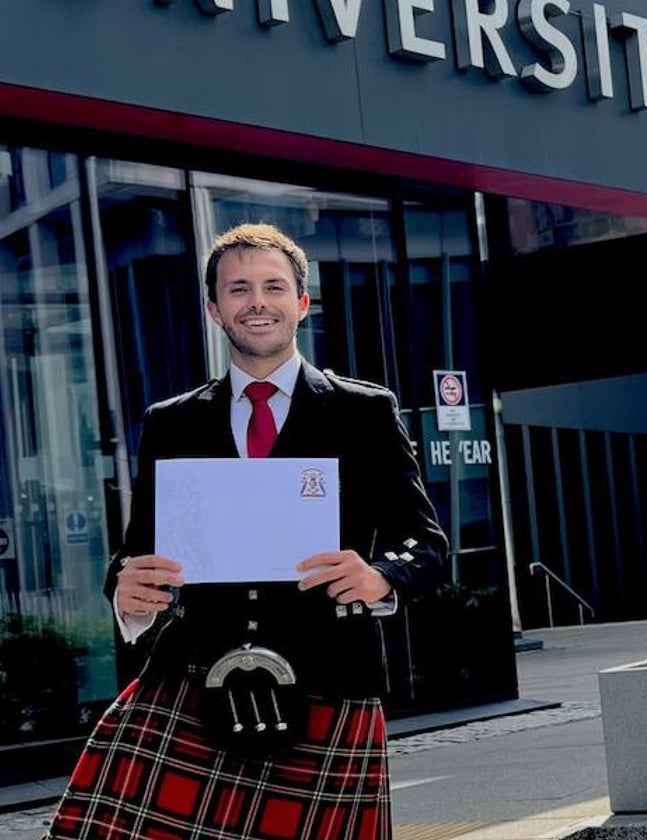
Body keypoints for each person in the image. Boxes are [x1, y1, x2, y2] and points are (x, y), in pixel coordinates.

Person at [45, 223, 448, 840]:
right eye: (238, 289)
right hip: (192, 677)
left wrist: (379, 576)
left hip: (330, 682)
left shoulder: (364, 411)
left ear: (301, 302)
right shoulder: (171, 422)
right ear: (214, 308)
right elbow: (142, 549)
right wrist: (125, 592)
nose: (256, 301)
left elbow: (426, 543)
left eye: (273, 287)